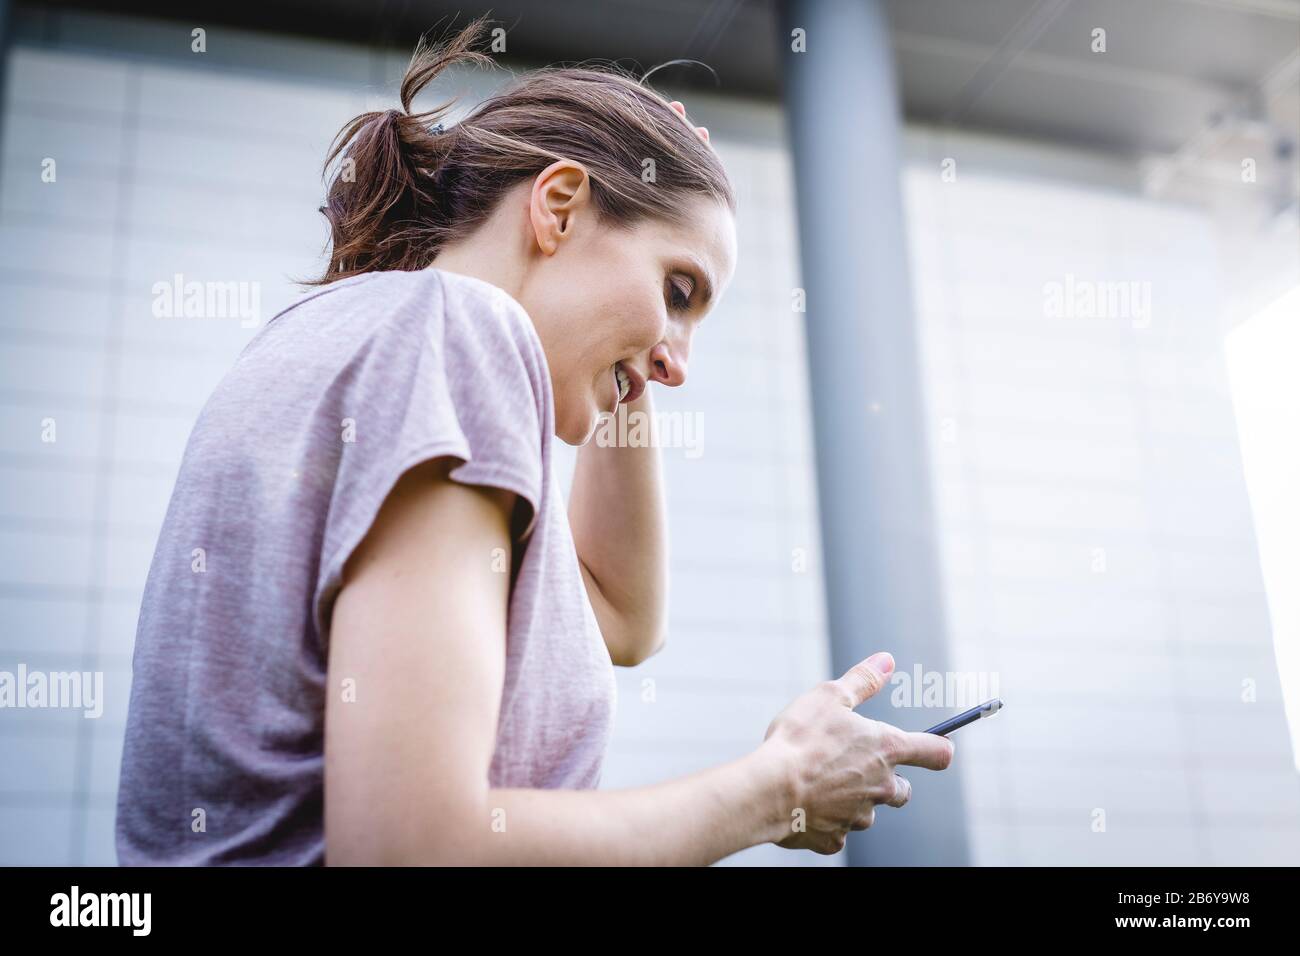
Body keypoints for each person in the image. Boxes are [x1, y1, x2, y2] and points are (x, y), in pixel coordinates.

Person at [115, 16, 954, 866]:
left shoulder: (354, 338)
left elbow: (623, 619)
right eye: (680, 287)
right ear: (557, 208)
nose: (681, 367)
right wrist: (781, 791)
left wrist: (635, 346)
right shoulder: (453, 332)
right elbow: (411, 848)